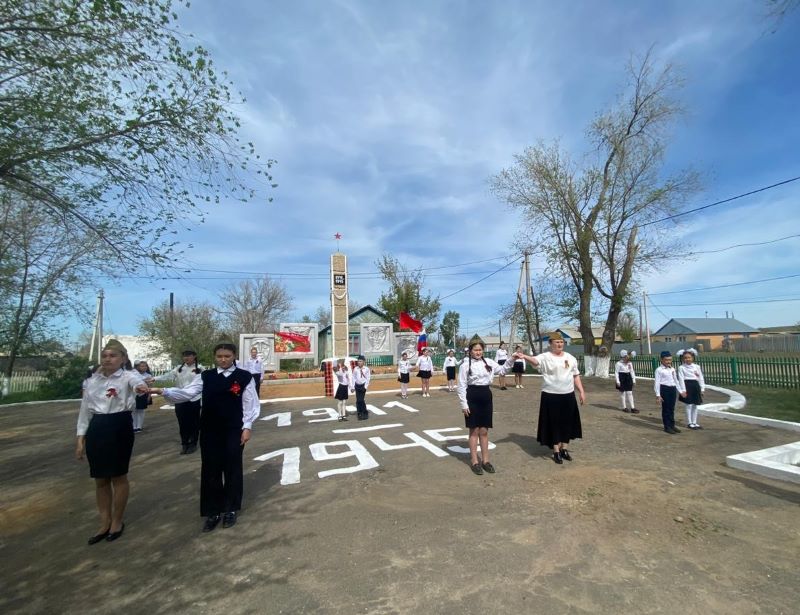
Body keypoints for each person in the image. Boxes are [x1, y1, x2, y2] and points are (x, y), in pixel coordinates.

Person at [150, 342, 260, 532]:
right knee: (211, 469)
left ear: (234, 356)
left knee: (232, 468)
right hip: (210, 429)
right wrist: (164, 391)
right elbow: (187, 393)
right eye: (219, 356)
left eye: (227, 356)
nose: (223, 359)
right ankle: (213, 511)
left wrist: (247, 426)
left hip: (234, 429)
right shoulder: (205, 377)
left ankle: (230, 509)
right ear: (214, 357)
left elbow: (250, 403)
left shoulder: (244, 377)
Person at [76, 339, 149, 544]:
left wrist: (141, 388)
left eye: (113, 355)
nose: (108, 359)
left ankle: (117, 520)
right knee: (100, 479)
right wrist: (80, 438)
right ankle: (104, 521)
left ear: (123, 358)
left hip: (119, 427)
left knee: (118, 476)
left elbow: (138, 384)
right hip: (97, 428)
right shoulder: (92, 381)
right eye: (105, 355)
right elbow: (85, 410)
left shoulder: (128, 376)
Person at [515, 333, 586, 465]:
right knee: (554, 423)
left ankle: (564, 448)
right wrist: (523, 356)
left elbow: (575, 375)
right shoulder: (545, 357)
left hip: (568, 395)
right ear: (551, 343)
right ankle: (556, 450)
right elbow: (536, 361)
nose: (560, 344)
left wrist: (581, 391)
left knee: (567, 422)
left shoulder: (570, 358)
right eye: (557, 342)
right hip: (551, 395)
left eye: (562, 342)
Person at [456, 337, 514, 475]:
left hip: (486, 396)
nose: (478, 352)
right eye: (475, 350)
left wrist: (512, 359)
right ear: (470, 351)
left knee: (484, 431)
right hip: (472, 397)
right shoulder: (465, 365)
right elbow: (461, 386)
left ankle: (486, 461)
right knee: (474, 430)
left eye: (480, 349)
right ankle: (475, 461)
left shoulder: (489, 362)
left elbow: (502, 370)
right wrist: (464, 404)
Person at [153, 350, 203, 454]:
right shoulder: (179, 368)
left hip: (194, 398)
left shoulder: (200, 368)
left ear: (194, 356)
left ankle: (193, 443)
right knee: (182, 422)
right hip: (180, 398)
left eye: (189, 356)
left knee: (194, 422)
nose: (186, 358)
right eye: (184, 356)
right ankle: (184, 443)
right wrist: (154, 379)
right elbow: (167, 376)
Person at [654, 350, 684, 434]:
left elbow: (676, 381)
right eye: (666, 360)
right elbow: (657, 383)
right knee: (666, 409)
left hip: (672, 389)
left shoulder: (672, 369)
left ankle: (672, 425)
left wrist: (680, 391)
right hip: (664, 389)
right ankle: (667, 427)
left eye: (670, 360)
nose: (668, 361)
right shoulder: (659, 370)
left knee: (672, 408)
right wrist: (658, 395)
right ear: (662, 360)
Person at [677, 348, 706, 430]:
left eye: (689, 357)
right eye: (685, 358)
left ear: (693, 358)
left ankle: (695, 422)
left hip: (695, 386)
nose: (687, 359)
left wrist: (702, 388)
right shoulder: (681, 367)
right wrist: (683, 390)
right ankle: (689, 423)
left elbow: (700, 378)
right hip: (687, 386)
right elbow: (681, 379)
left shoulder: (697, 367)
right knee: (689, 404)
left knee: (695, 405)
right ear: (683, 359)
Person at [132, 360, 154, 432]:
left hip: (144, 394)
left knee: (141, 410)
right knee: (134, 410)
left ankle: (139, 426)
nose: (144, 367)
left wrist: (149, 395)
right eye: (142, 366)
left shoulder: (148, 375)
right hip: (134, 394)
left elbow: (150, 386)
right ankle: (134, 426)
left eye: (145, 366)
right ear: (138, 367)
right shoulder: (134, 374)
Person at [351, 355, 371, 420]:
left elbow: (368, 378)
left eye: (360, 361)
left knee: (361, 400)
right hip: (357, 386)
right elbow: (353, 378)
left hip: (363, 386)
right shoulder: (355, 369)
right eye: (358, 361)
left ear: (363, 362)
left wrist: (365, 387)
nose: (359, 362)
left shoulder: (366, 369)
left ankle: (364, 412)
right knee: (358, 400)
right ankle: (359, 413)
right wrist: (352, 387)